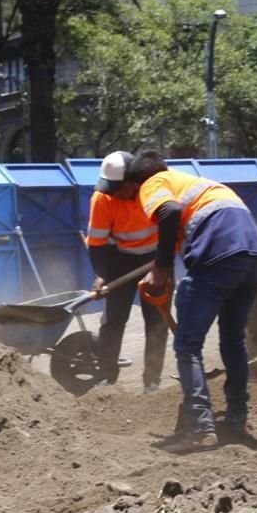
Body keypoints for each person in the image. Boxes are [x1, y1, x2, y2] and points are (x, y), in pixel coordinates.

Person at [129, 150, 257, 454]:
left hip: (218, 256)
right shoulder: (198, 184)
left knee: (187, 346)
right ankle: (235, 420)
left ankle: (201, 429)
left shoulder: (154, 183)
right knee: (233, 341)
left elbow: (169, 213)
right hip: (253, 256)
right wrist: (166, 276)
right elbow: (181, 234)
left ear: (138, 182)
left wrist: (160, 268)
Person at [86, 151, 167, 393]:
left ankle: (152, 381)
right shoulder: (103, 198)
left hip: (155, 261)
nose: (112, 193)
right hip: (119, 261)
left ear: (133, 182)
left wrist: (162, 264)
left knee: (156, 321)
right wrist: (101, 273)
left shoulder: (153, 192)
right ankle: (107, 376)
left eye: (117, 188)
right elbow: (97, 243)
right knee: (112, 321)